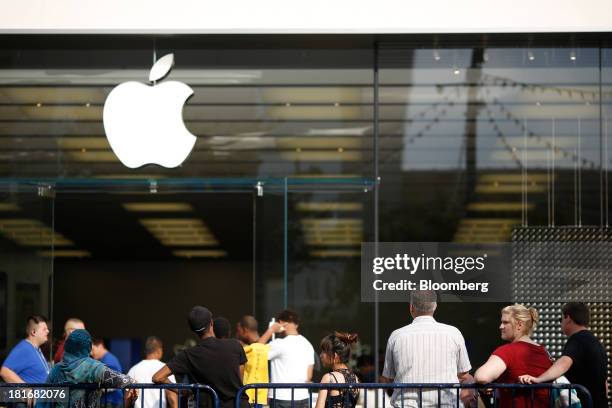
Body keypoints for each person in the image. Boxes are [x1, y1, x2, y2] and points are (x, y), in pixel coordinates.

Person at [381, 291, 474, 408]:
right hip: (446, 404)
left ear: (411, 307)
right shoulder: (453, 333)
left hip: (407, 404)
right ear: (435, 307)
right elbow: (464, 374)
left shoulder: (396, 336)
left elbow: (388, 378)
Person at [152, 306, 249, 408]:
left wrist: (182, 390)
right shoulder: (235, 345)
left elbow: (157, 377)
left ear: (193, 330)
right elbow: (239, 379)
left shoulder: (188, 355)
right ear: (211, 323)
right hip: (239, 404)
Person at [518, 302, 609, 408]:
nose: (560, 323)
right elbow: (605, 384)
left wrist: (538, 379)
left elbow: (564, 362)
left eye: (560, 320)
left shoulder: (577, 340)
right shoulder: (596, 342)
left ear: (568, 318)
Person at [474, 304, 552, 408]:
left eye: (505, 322)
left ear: (519, 325)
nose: (500, 326)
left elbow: (481, 377)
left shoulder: (507, 351)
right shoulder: (544, 352)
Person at [40, 329, 136, 408]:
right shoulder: (92, 367)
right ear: (88, 346)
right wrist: (132, 382)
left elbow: (44, 399)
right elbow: (122, 380)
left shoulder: (56, 369)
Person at [258, 310, 315, 408]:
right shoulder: (308, 344)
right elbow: (309, 376)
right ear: (296, 325)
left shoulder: (279, 344)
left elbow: (256, 351)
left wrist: (271, 330)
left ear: (280, 323)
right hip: (303, 397)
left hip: (281, 398)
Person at [127, 336, 177, 408]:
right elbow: (172, 397)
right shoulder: (165, 369)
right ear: (159, 350)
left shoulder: (133, 369)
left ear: (146, 351)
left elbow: (127, 397)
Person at [314, 332, 360, 408]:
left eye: (324, 351)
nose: (321, 355)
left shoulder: (328, 378)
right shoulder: (356, 378)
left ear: (335, 356)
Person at [1, 315, 50, 383]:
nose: (48, 331)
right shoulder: (24, 348)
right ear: (33, 332)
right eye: (44, 329)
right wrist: (26, 389)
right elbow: (5, 372)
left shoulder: (36, 349)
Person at [236, 315, 270, 408]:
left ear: (245, 330)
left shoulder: (251, 349)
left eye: (238, 331)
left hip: (246, 397)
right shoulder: (266, 348)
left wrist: (271, 330)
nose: (237, 335)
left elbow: (256, 348)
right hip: (258, 398)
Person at [91, 338, 124, 408]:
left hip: (112, 402)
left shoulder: (109, 360)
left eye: (92, 349)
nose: (91, 353)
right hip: (109, 401)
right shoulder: (105, 359)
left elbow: (115, 382)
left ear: (100, 345)